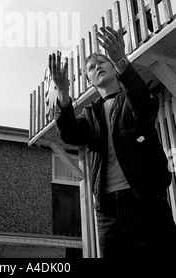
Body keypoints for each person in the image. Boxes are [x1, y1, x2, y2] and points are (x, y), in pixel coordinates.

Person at [49, 26, 176, 258]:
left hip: (144, 202)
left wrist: (121, 60)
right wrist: (63, 92)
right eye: (91, 67)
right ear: (89, 81)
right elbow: (68, 134)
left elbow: (146, 107)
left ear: (114, 70)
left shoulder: (133, 98)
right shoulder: (90, 115)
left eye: (102, 62)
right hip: (107, 211)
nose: (97, 66)